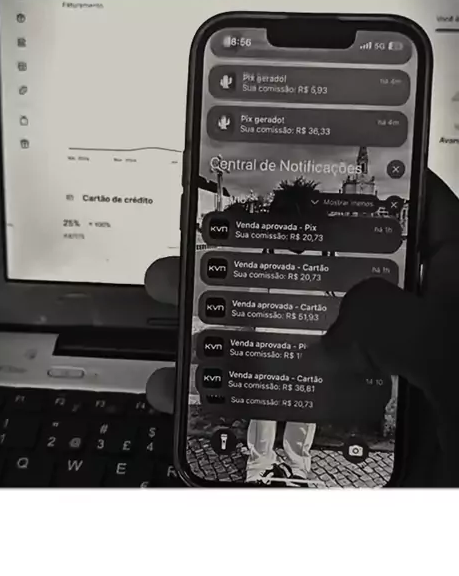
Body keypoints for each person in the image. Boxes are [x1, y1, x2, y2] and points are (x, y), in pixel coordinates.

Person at [144, 171, 459, 487]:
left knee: (298, 405)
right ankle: (274, 465)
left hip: (302, 338)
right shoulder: (283, 250)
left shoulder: (313, 251)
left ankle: (283, 466)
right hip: (283, 339)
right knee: (281, 405)